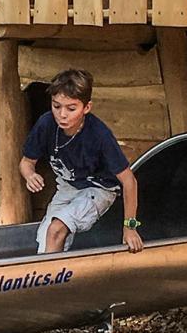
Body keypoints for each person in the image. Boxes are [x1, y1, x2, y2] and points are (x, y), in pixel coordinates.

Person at [19, 69, 143, 255]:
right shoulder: (46, 124)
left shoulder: (99, 135)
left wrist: (130, 227)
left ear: (86, 108)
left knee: (56, 229)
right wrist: (30, 175)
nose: (62, 115)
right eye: (56, 106)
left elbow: (129, 181)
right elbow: (26, 162)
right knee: (45, 243)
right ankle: (57, 278)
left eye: (71, 109)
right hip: (67, 186)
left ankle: (54, 282)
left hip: (99, 188)